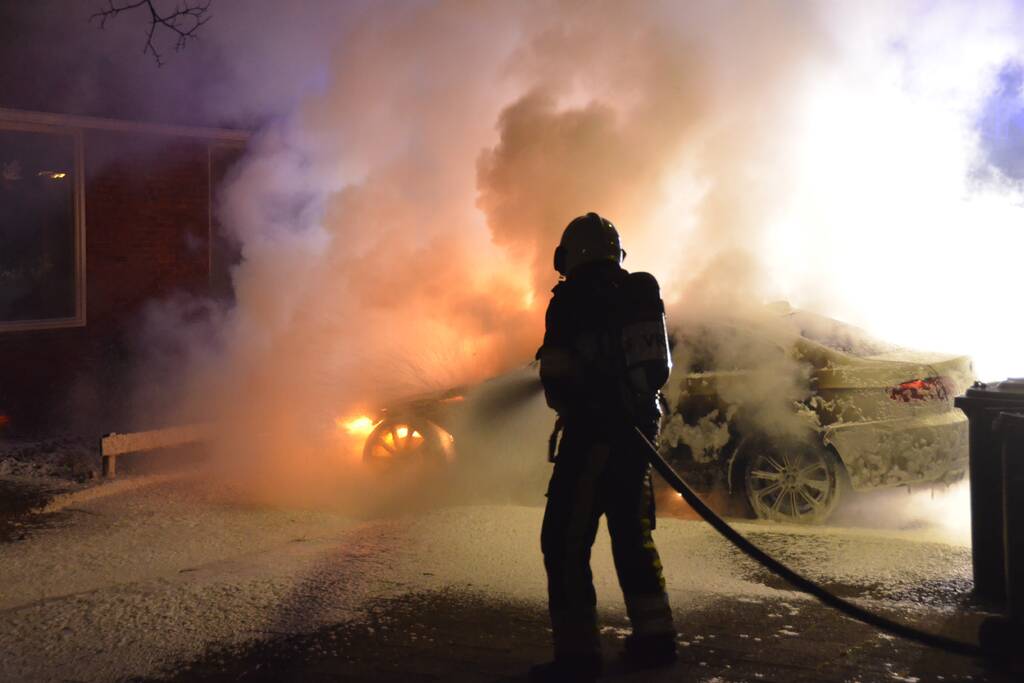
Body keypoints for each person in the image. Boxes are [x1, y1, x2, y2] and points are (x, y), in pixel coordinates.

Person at [531, 212, 676, 682]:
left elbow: (556, 380)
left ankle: (577, 657)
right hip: (638, 435)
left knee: (563, 540)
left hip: (594, 436)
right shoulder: (635, 294)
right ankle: (656, 639)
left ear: (569, 255)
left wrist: (573, 390)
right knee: (632, 534)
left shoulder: (570, 301)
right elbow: (654, 371)